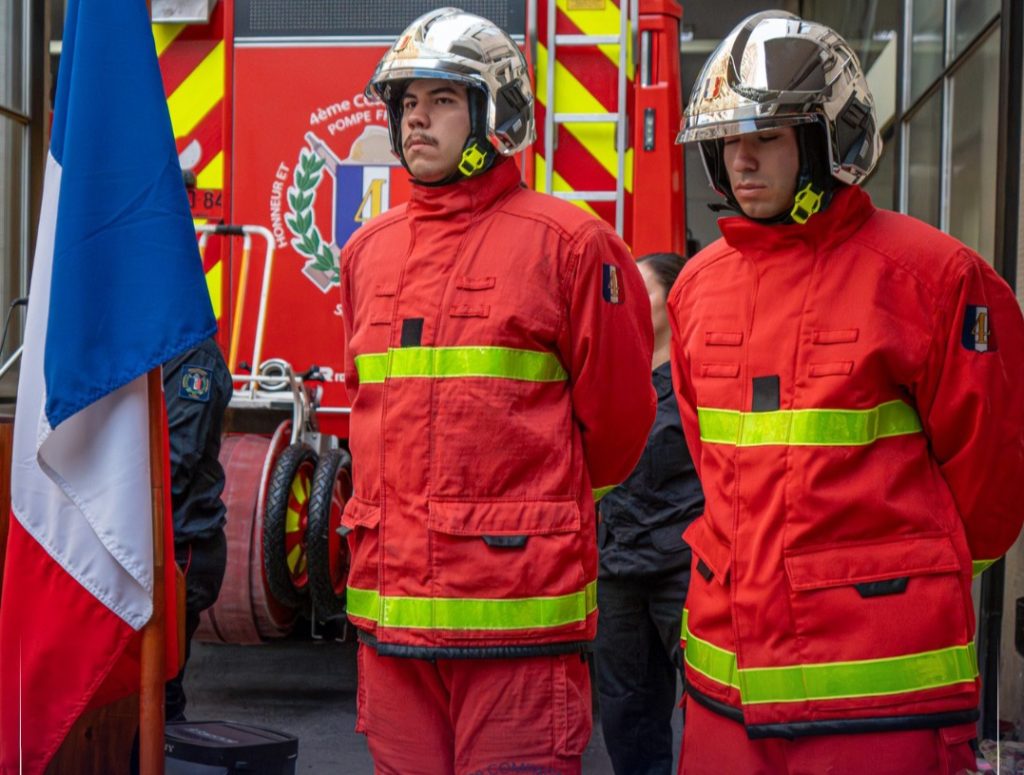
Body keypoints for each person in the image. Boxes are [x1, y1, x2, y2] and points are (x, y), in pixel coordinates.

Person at [670, 11, 1024, 774]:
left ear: (831, 140)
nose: (741, 160)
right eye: (729, 139)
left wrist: (892, 586)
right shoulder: (699, 287)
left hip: (879, 705)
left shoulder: (934, 279)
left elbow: (989, 490)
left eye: (765, 136)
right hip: (724, 693)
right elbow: (714, 461)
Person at [339, 8, 656, 773]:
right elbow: (366, 409)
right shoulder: (367, 252)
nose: (416, 117)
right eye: (407, 101)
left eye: (443, 99)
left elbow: (616, 427)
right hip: (392, 634)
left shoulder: (572, 245)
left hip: (519, 627)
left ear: (495, 113)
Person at [593, 252, 703, 775]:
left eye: (644, 289)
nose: (629, 300)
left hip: (682, 568)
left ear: (673, 298)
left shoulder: (699, 378)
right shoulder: (609, 376)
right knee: (626, 715)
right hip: (616, 569)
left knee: (709, 709)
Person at [163, 336, 232, 722]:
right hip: (155, 543)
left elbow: (174, 461)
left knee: (159, 697)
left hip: (179, 546)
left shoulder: (193, 358)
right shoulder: (155, 347)